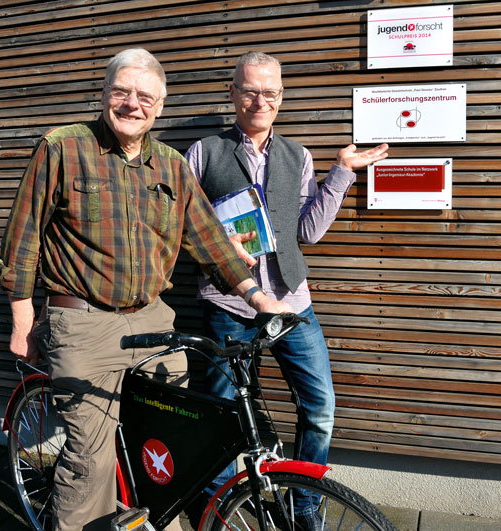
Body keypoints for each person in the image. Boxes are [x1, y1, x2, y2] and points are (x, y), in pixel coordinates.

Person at [0, 48, 290, 531]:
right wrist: (23, 322)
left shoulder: (172, 166)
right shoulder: (63, 148)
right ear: (104, 93)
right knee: (89, 460)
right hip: (83, 321)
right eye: (122, 92)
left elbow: (209, 241)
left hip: (153, 318)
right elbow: (23, 236)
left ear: (161, 105)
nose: (133, 104)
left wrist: (259, 300)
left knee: (166, 442)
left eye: (145, 96)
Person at [185, 51, 388, 530]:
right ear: (232, 94)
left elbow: (308, 231)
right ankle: (214, 510)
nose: (260, 100)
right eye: (250, 90)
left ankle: (305, 510)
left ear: (281, 98)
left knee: (319, 407)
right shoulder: (203, 152)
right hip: (228, 304)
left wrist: (342, 172)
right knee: (223, 414)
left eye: (270, 92)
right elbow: (184, 228)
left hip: (292, 303)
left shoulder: (297, 155)